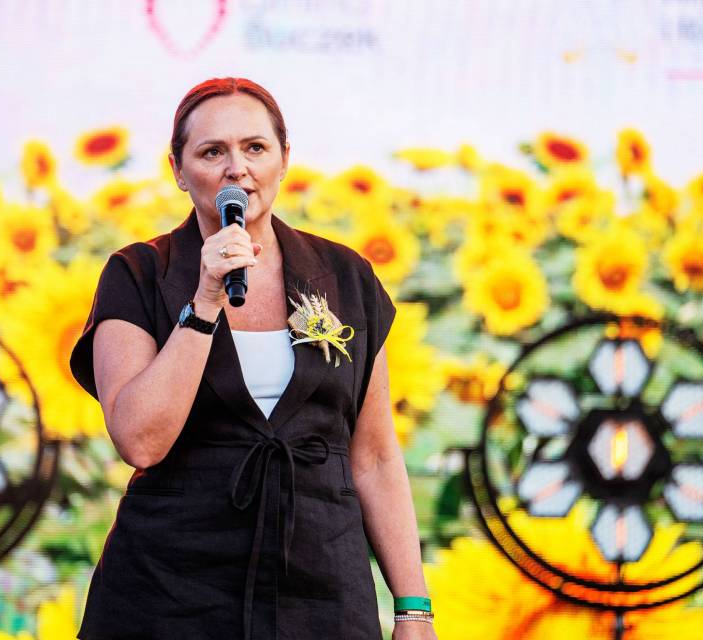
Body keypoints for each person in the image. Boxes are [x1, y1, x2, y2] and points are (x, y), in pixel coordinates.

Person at [69, 77, 436, 640]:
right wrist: (204, 301)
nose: (236, 169)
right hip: (170, 594)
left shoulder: (345, 277)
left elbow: (375, 458)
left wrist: (414, 610)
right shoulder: (137, 274)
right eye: (212, 152)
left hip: (319, 590)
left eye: (255, 147)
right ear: (178, 169)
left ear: (284, 159)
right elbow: (141, 441)